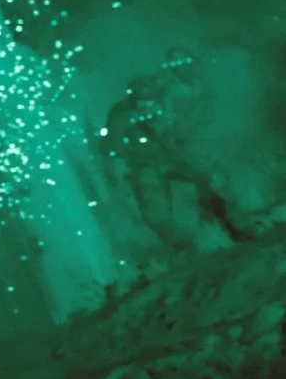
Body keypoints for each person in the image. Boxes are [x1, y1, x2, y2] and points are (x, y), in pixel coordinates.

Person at [99, 47, 245, 252]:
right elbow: (110, 146)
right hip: (144, 165)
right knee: (156, 209)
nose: (148, 109)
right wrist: (124, 156)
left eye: (152, 103)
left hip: (168, 156)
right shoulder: (122, 115)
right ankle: (184, 245)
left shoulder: (168, 102)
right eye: (144, 104)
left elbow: (180, 129)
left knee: (207, 179)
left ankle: (221, 224)